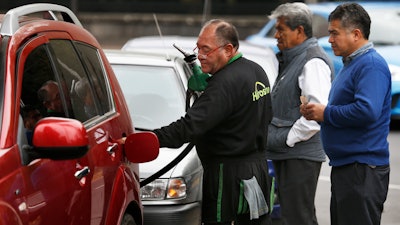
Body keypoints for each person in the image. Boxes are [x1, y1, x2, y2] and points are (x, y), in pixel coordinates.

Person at [153, 19, 273, 225]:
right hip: (257, 171)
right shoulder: (256, 71)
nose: (199, 56)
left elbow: (189, 126)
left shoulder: (224, 83)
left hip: (228, 178)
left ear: (228, 49)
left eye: (206, 50)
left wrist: (150, 139)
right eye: (198, 48)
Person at [300, 3, 391, 225]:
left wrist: (325, 113)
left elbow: (367, 111)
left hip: (361, 171)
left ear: (356, 34)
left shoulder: (370, 65)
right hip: (349, 168)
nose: (329, 39)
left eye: (334, 33)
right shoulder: (353, 63)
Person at [265, 3, 334, 225]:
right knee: (290, 215)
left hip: (299, 154)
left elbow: (316, 113)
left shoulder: (312, 61)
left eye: (281, 30)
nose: (276, 36)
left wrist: (288, 138)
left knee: (298, 217)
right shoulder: (294, 57)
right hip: (290, 153)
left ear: (300, 31)